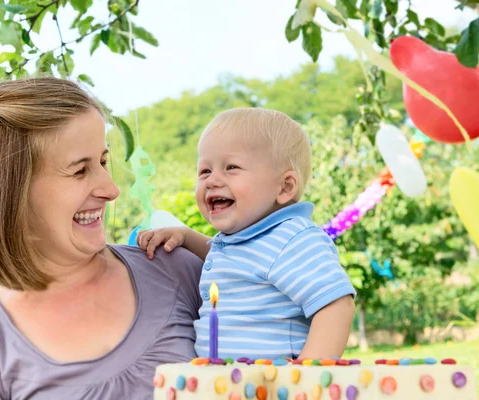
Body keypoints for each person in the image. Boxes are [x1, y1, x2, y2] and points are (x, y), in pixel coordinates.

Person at [0, 77, 203, 399]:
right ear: (9, 195)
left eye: (102, 161)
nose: (112, 190)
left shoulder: (176, 267)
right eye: (80, 170)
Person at [137, 108, 356, 360]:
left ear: (284, 187)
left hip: (274, 387)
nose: (211, 180)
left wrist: (306, 375)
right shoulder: (245, 241)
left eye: (231, 167)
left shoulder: (292, 237)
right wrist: (186, 237)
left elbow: (336, 305)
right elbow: (242, 263)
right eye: (204, 171)